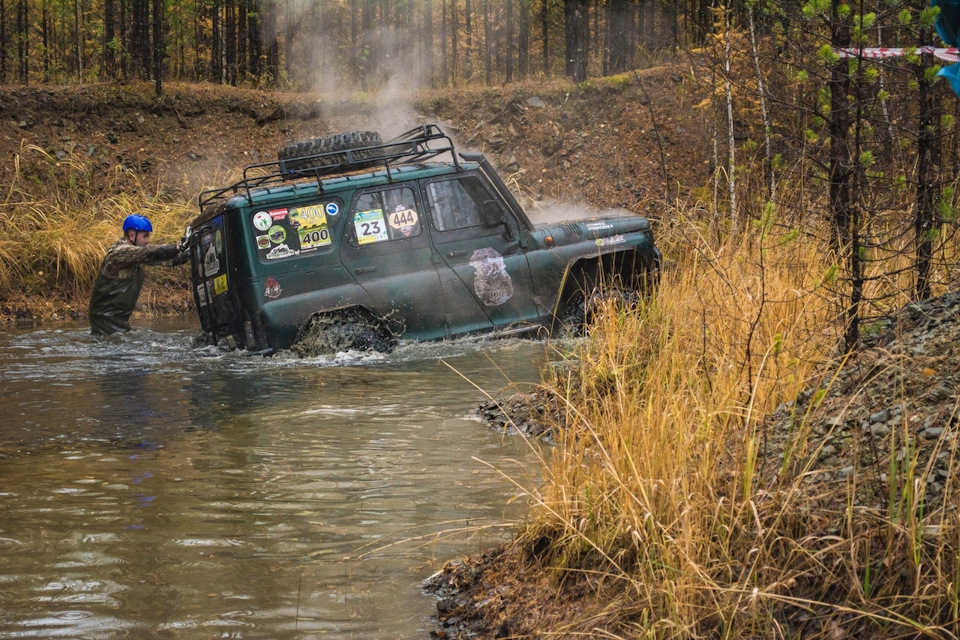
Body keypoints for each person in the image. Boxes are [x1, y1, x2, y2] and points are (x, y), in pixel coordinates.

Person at [89, 214, 191, 336]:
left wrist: (189, 252)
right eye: (145, 236)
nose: (148, 240)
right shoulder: (119, 253)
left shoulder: (136, 256)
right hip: (105, 320)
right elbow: (150, 252)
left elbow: (166, 259)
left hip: (116, 320)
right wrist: (179, 246)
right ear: (132, 236)